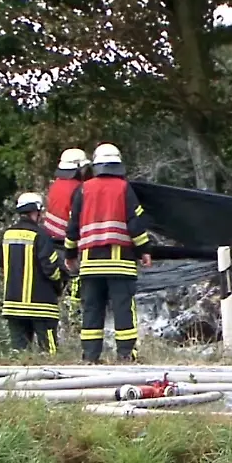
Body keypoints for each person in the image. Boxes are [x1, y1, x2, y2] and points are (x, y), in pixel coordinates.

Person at [64, 143, 152, 363]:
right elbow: (135, 223)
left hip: (90, 264)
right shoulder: (124, 188)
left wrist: (69, 254)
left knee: (92, 309)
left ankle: (90, 356)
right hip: (120, 262)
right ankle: (125, 355)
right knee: (123, 309)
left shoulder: (83, 189)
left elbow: (72, 226)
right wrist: (144, 251)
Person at [0, 192, 65, 354]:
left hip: (13, 304)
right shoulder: (41, 236)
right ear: (36, 211)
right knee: (49, 353)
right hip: (42, 305)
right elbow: (51, 268)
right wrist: (58, 284)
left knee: (18, 353)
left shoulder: (7, 234)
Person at [44, 148, 92, 332]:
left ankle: (64, 322)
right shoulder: (79, 189)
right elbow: (78, 220)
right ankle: (74, 323)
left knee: (61, 286)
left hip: (51, 243)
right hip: (69, 243)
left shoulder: (56, 185)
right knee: (77, 282)